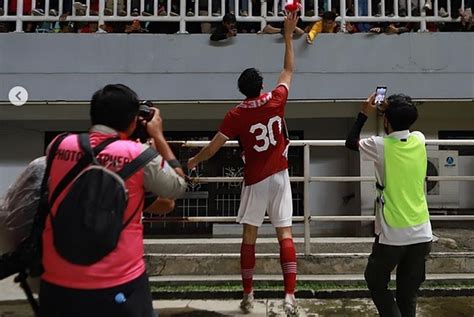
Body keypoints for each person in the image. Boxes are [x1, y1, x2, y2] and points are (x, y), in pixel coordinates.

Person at [39, 84, 187, 317]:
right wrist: (157, 135)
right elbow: (177, 187)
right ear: (133, 121)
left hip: (56, 283)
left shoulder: (57, 145)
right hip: (118, 285)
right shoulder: (139, 155)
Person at [188, 12, 300, 316]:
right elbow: (289, 69)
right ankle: (289, 297)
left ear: (241, 89)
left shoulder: (236, 115)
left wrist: (195, 160)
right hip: (281, 175)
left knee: (250, 236)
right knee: (285, 235)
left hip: (255, 178)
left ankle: (248, 296)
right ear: (261, 84)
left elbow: (213, 147)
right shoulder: (277, 98)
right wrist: (288, 36)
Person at [345, 93, 433, 317]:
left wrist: (364, 113)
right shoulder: (419, 140)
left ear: (386, 121)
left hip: (392, 233)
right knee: (408, 295)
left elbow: (350, 141)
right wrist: (391, 109)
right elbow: (404, 124)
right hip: (422, 231)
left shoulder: (380, 145)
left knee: (375, 280)